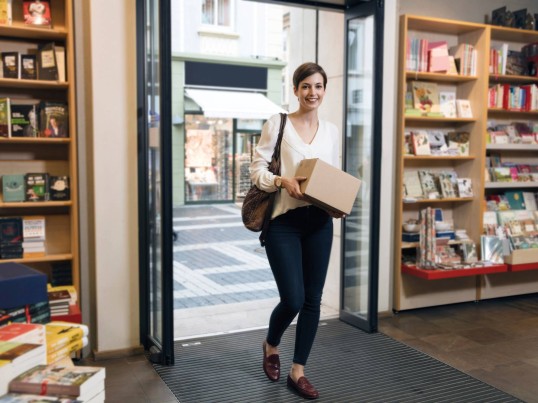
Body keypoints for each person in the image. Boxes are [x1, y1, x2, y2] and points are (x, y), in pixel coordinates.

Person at [249, 62, 345, 400]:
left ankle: (298, 370)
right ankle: (271, 344)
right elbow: (256, 169)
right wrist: (280, 180)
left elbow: (332, 174)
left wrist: (339, 197)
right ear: (295, 89)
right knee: (293, 298)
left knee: (313, 301)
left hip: (318, 222)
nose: (313, 93)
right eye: (306, 86)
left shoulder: (331, 131)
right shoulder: (278, 124)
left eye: (318, 86)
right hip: (284, 223)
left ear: (324, 90)